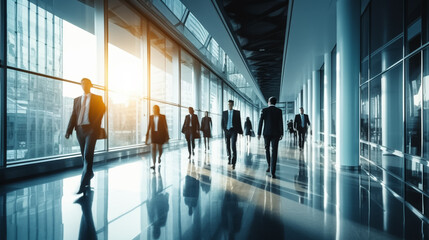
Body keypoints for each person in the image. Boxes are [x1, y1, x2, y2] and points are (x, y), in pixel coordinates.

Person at [66, 78, 106, 195]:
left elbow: (103, 109)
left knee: (88, 155)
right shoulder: (77, 100)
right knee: (84, 156)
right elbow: (74, 115)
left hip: (91, 130)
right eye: (82, 83)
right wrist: (69, 130)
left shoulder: (97, 98)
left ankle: (82, 185)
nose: (84, 85)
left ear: (91, 85)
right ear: (81, 85)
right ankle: (90, 173)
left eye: (86, 83)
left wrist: (95, 125)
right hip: (80, 130)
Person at [257, 96, 283, 178]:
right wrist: (281, 133)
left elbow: (260, 122)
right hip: (276, 134)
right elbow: (280, 122)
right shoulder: (279, 111)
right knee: (274, 151)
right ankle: (273, 172)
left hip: (266, 133)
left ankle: (269, 165)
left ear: (269, 102)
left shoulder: (264, 110)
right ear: (275, 103)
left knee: (267, 149)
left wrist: (259, 133)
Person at [146, 105, 169, 170]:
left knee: (160, 148)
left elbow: (165, 126)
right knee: (153, 148)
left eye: (156, 109)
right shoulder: (151, 117)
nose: (154, 110)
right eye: (153, 109)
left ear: (158, 109)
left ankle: (159, 157)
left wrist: (167, 136)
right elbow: (149, 126)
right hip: (154, 134)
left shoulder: (162, 116)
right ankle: (154, 164)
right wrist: (147, 135)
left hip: (161, 134)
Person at [221, 100, 243, 169]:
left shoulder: (237, 113)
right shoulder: (224, 113)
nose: (230, 105)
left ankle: (234, 162)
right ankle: (229, 157)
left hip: (234, 130)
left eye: (231, 104)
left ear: (233, 105)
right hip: (227, 131)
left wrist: (241, 132)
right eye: (229, 104)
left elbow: (239, 122)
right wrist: (224, 129)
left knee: (233, 145)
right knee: (227, 145)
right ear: (228, 105)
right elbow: (222, 123)